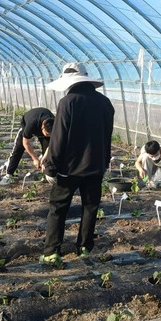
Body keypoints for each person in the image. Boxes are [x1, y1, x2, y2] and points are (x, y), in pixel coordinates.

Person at [40, 63, 114, 263]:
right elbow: (107, 136)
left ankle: (52, 251)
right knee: (90, 207)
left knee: (58, 208)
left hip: (69, 168)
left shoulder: (68, 102)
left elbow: (58, 138)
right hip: (95, 167)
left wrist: (51, 167)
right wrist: (104, 162)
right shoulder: (105, 103)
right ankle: (84, 247)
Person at [0, 107, 54, 184]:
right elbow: (26, 143)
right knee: (18, 148)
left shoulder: (56, 124)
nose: (47, 135)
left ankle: (45, 173)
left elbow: (51, 145)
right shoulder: (32, 124)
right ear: (42, 128)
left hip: (44, 123)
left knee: (48, 150)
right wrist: (35, 159)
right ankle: (9, 174)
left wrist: (44, 157)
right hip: (26, 122)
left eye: (49, 135)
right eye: (47, 134)